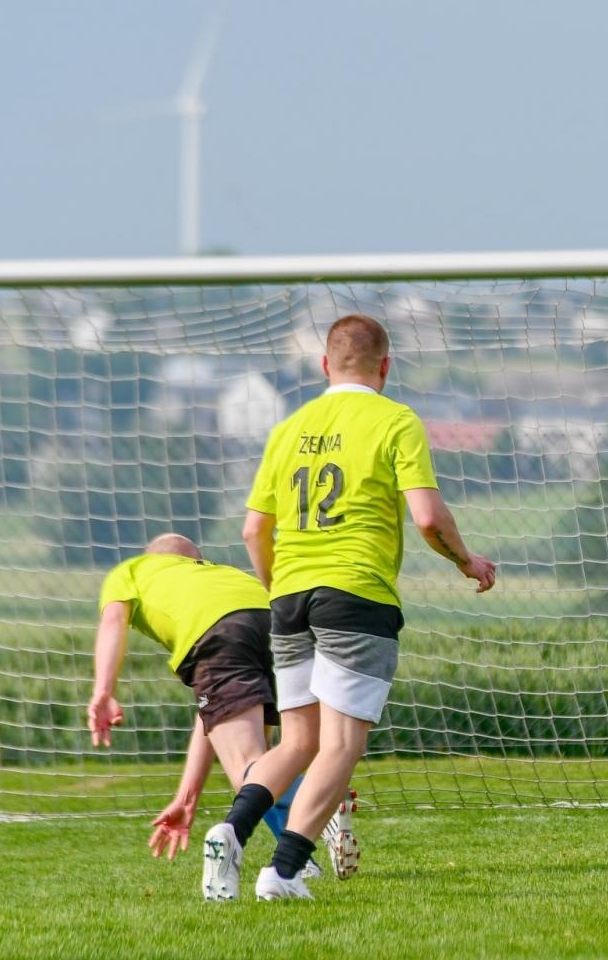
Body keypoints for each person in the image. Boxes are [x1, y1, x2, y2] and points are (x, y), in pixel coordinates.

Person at [208, 313, 496, 901]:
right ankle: (283, 871)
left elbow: (252, 530)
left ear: (324, 366)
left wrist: (278, 586)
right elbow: (427, 516)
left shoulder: (289, 427)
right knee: (341, 743)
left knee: (295, 742)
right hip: (355, 594)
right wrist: (467, 561)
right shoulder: (395, 420)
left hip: (289, 594)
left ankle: (231, 830)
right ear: (385, 367)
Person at [87, 533, 324, 892]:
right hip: (279, 626)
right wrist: (187, 799)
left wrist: (104, 691)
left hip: (220, 635)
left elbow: (113, 622)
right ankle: (303, 850)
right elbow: (211, 716)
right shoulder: (224, 576)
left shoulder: (132, 570)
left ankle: (316, 805)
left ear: (153, 557)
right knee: (265, 758)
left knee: (248, 767)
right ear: (195, 559)